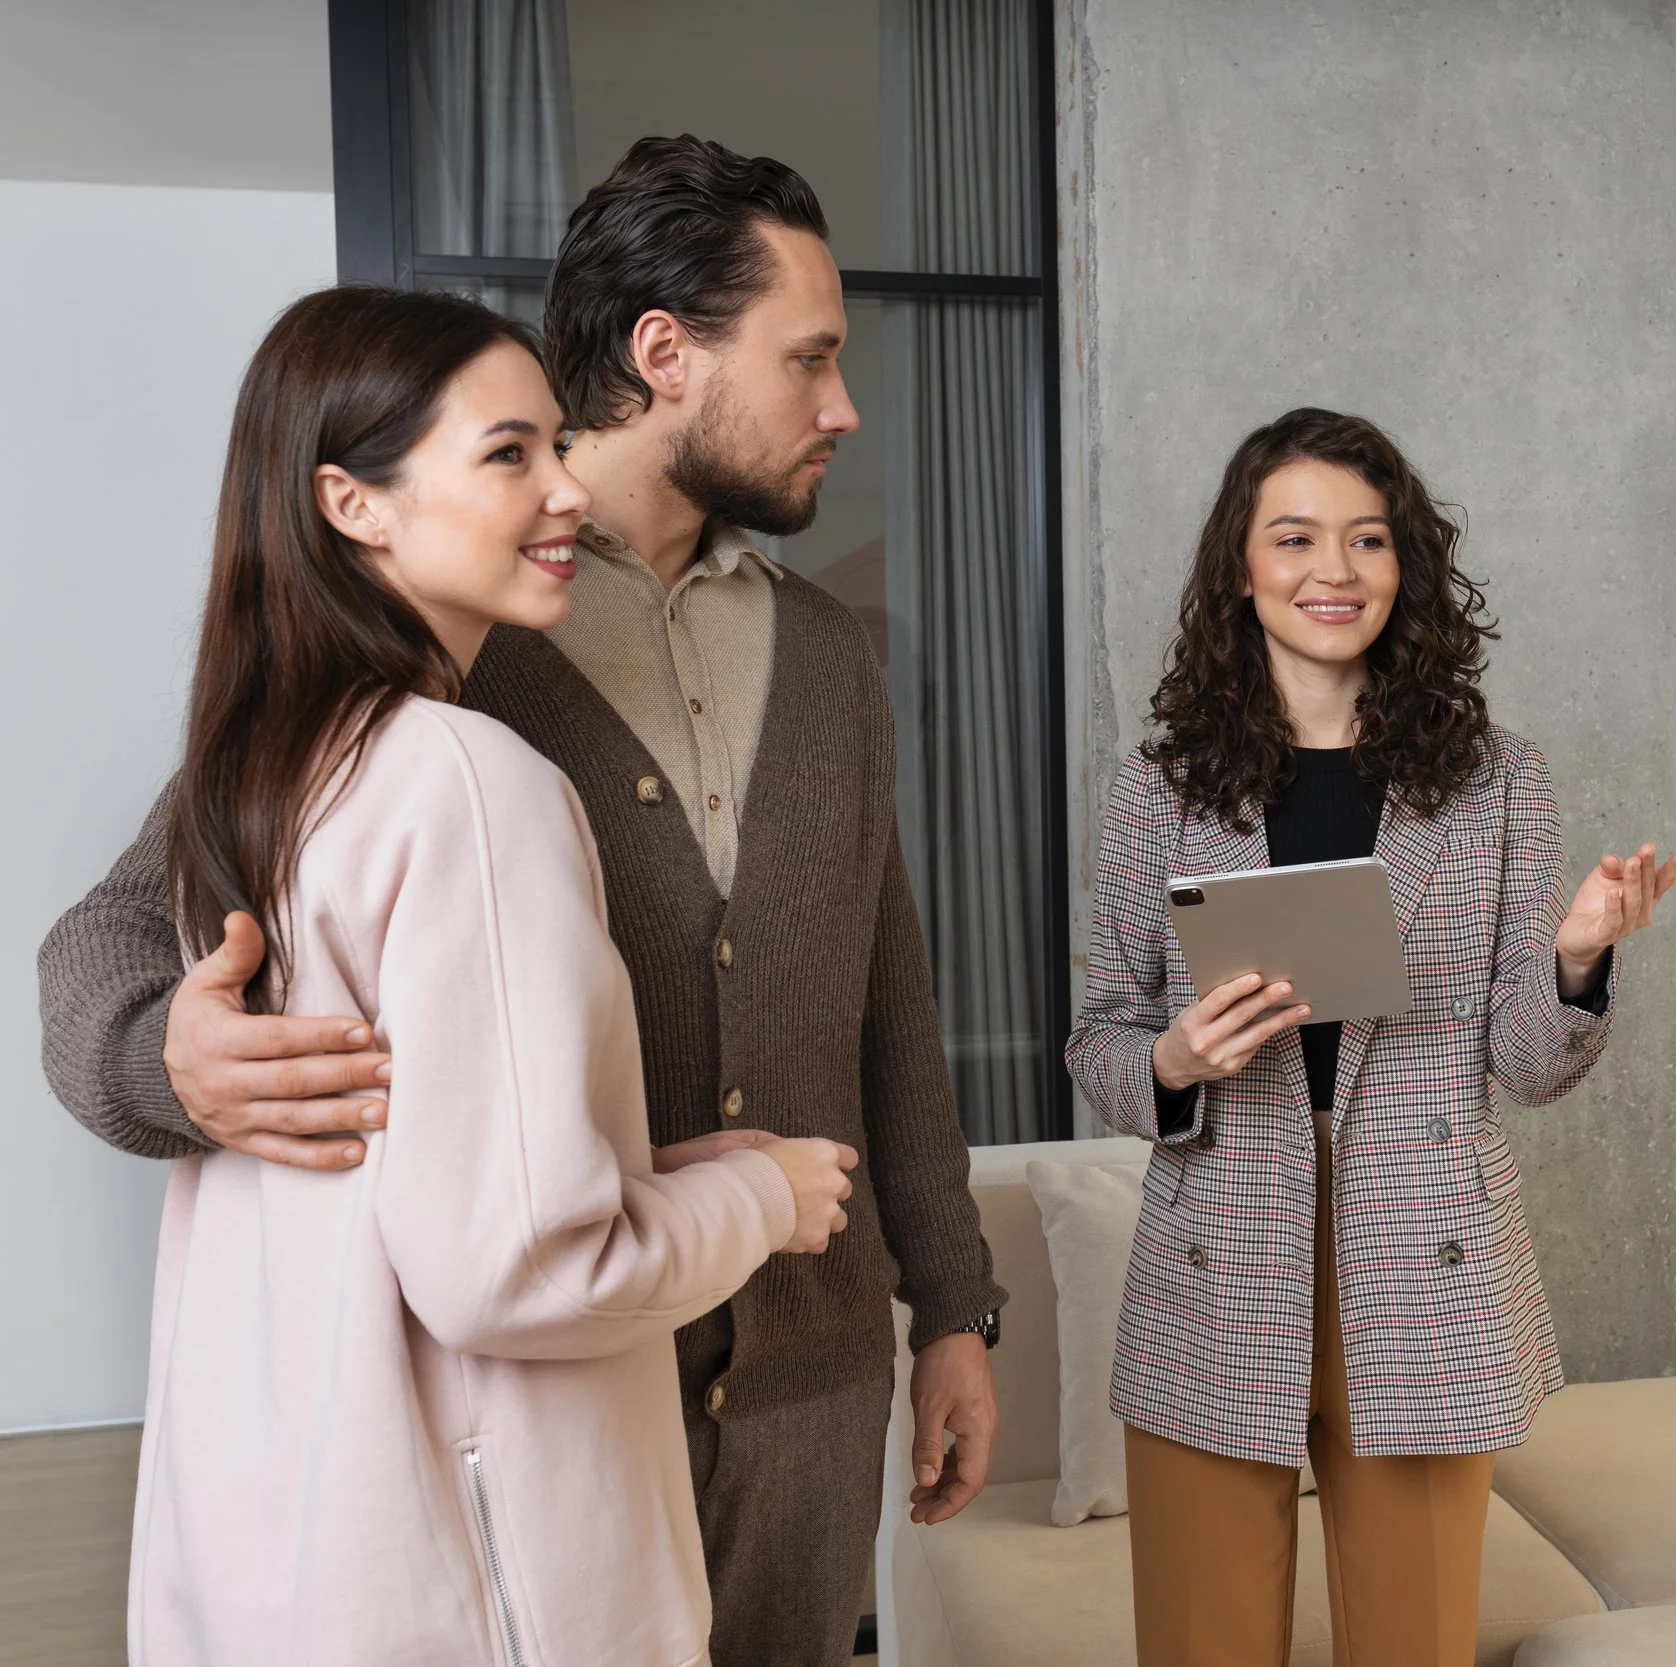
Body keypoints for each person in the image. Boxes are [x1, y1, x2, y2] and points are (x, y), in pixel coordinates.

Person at [40, 138, 1004, 1667]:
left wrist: (954, 1304)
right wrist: (164, 1055)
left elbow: (891, 998)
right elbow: (121, 918)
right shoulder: (452, 622)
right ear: (667, 353)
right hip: (552, 1404)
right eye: (810, 358)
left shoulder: (830, 651)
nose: (843, 408)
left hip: (810, 1378)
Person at [125, 284, 857, 1665]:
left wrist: (643, 1171)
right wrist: (763, 1194)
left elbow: (413, 1181)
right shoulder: (466, 780)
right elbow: (523, 1269)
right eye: (506, 453)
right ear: (355, 503)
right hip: (486, 1585)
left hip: (291, 1548)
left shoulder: (260, 782)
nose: (560, 488)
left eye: (554, 446)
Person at [1067, 408, 1676, 1667]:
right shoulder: (1160, 786)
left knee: (1410, 1645)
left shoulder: (1497, 780)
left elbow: (1522, 1062)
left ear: (1404, 566)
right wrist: (1173, 1059)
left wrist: (1574, 958)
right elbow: (1097, 1033)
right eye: (1293, 537)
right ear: (1239, 568)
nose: (1332, 571)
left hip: (1427, 1262)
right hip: (1215, 1261)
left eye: (1366, 540)